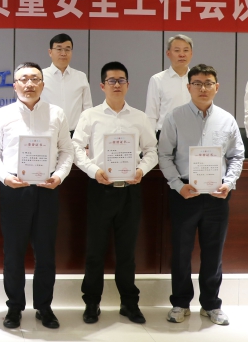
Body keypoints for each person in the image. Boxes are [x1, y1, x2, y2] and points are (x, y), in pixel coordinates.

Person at [0, 62, 74, 330]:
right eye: (23, 79)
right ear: (14, 85)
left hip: (47, 189)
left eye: (35, 79)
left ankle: (44, 307)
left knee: (46, 253)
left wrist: (59, 176)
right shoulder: (2, 115)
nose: (29, 84)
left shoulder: (56, 114)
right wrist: (5, 177)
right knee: (13, 253)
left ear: (42, 85)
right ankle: (14, 307)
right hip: (14, 189)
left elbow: (66, 151)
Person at [72, 61, 157, 325]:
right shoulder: (90, 116)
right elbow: (76, 148)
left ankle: (129, 303)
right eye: (111, 80)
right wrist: (93, 170)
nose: (117, 85)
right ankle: (92, 303)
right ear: (102, 86)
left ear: (128, 85)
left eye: (121, 80)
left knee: (127, 252)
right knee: (95, 251)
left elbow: (151, 151)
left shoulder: (139, 117)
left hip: (130, 191)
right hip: (101, 189)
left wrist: (141, 169)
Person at [158, 64, 244, 326]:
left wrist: (229, 183)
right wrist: (177, 185)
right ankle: (180, 303)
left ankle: (211, 304)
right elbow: (164, 155)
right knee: (181, 251)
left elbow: (237, 156)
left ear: (217, 87)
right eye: (197, 83)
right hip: (185, 193)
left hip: (217, 195)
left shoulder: (227, 120)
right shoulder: (174, 117)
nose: (203, 88)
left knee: (213, 252)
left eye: (208, 83)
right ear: (189, 87)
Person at [41, 33, 92, 134]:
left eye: (67, 49)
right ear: (50, 52)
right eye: (59, 49)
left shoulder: (80, 76)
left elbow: (87, 109)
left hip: (75, 134)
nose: (63, 53)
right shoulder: (40, 76)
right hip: (47, 133)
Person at [145, 34, 194, 137]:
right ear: (168, 53)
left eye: (186, 50)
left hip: (193, 133)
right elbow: (151, 115)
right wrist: (150, 142)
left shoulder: (198, 80)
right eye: (177, 50)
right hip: (165, 134)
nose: (182, 54)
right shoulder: (157, 79)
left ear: (191, 53)